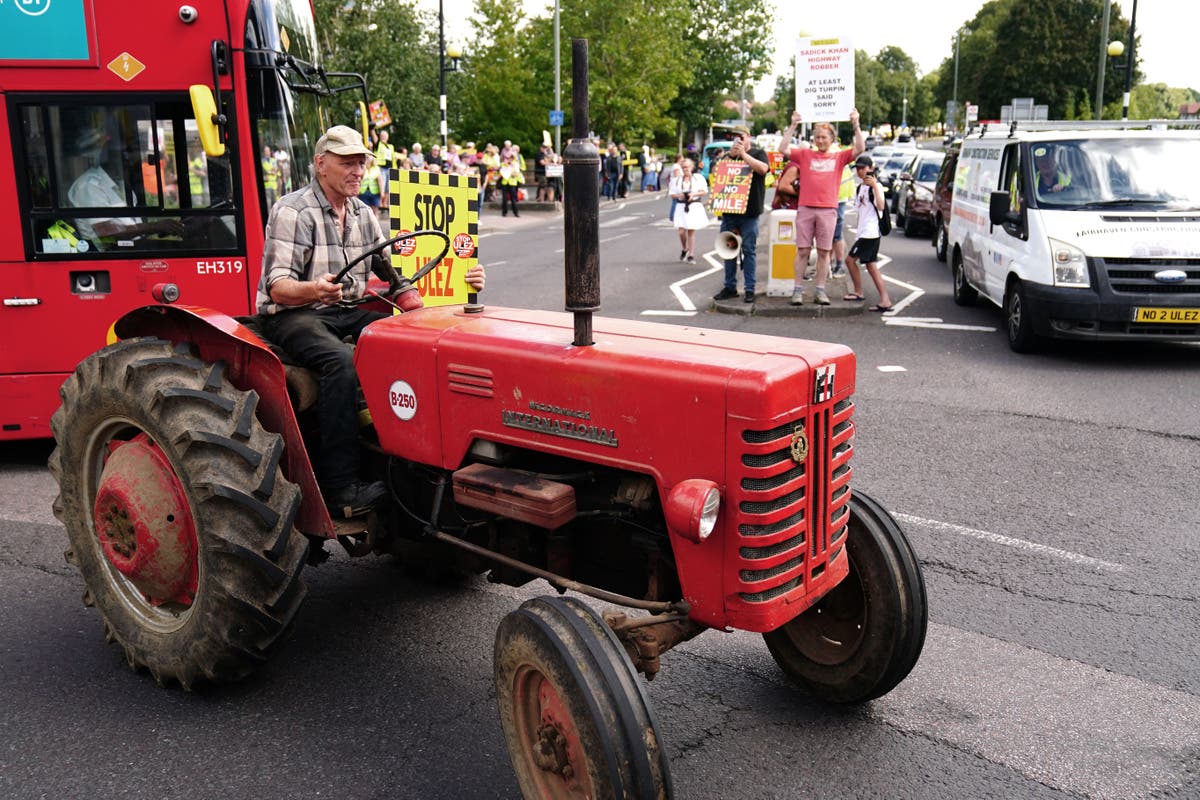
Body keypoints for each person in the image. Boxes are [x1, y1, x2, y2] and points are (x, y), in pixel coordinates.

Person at [255, 125, 486, 516]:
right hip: (297, 314)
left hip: (345, 309)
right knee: (339, 363)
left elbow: (393, 276)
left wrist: (422, 311)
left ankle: (416, 464)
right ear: (321, 164)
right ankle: (340, 487)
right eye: (348, 162)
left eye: (361, 162)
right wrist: (315, 290)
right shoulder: (293, 210)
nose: (358, 170)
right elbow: (278, 287)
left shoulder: (363, 212)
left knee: (414, 345)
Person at [781, 109, 865, 305]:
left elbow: (860, 148)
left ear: (832, 139)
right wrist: (793, 124)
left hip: (828, 210)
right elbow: (782, 149)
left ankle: (820, 290)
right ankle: (797, 290)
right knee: (802, 251)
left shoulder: (839, 157)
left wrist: (856, 124)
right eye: (817, 137)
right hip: (806, 209)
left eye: (824, 137)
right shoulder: (804, 155)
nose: (820, 140)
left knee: (824, 252)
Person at [67, 128, 184, 247]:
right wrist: (154, 227)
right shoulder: (89, 186)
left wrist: (164, 227)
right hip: (109, 256)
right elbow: (106, 231)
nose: (136, 163)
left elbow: (133, 227)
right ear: (117, 157)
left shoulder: (122, 185)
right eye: (132, 156)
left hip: (131, 248)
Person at [711, 126, 770, 304]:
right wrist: (730, 156)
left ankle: (749, 288)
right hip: (730, 212)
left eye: (741, 137)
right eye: (735, 138)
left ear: (749, 137)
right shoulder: (728, 157)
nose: (738, 141)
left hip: (750, 213)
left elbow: (762, 169)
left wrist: (743, 155)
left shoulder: (759, 153)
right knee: (728, 251)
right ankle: (730, 287)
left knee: (749, 251)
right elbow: (716, 174)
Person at [842, 155, 893, 312]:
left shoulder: (875, 186)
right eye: (858, 168)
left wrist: (876, 187)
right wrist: (857, 231)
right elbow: (859, 211)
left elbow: (881, 206)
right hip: (863, 232)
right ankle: (885, 300)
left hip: (870, 233)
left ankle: (859, 292)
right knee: (871, 266)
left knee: (850, 261)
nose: (860, 171)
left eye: (863, 168)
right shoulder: (860, 188)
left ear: (871, 168)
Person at [669, 158, 708, 263]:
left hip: (693, 205)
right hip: (681, 206)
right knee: (681, 231)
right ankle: (684, 248)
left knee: (691, 230)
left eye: (687, 167)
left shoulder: (698, 178)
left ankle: (691, 254)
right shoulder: (676, 180)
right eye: (683, 167)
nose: (685, 169)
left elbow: (704, 191)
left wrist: (693, 194)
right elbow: (672, 194)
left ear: (691, 167)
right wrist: (680, 195)